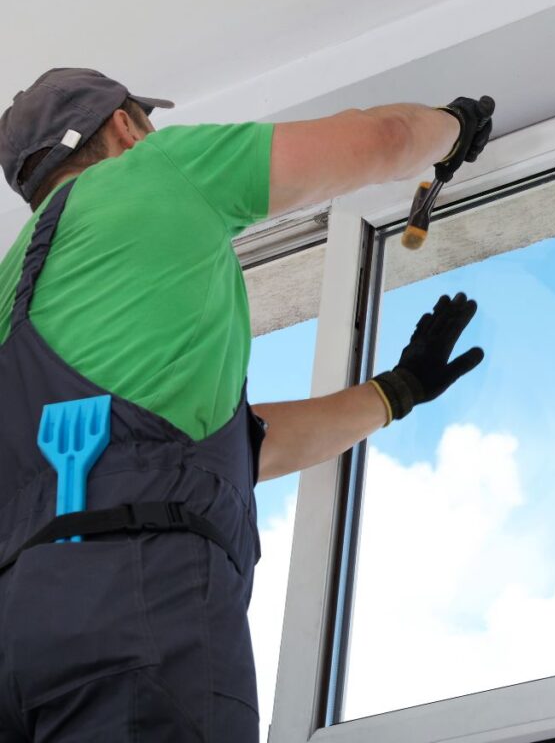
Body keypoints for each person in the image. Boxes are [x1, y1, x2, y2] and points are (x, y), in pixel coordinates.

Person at [0, 67, 492, 741]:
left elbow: (223, 450)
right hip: (134, 605)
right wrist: (456, 129)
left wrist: (392, 393)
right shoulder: (155, 170)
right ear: (125, 126)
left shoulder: (12, 296)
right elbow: (385, 137)